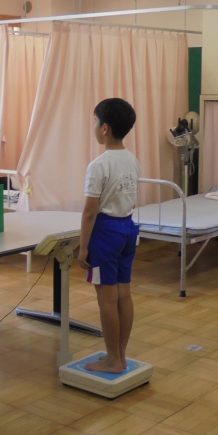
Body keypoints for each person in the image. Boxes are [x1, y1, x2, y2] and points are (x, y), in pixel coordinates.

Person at [77, 98, 141, 374]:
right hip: (128, 229)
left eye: (95, 122)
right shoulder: (133, 160)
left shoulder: (99, 165)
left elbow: (89, 212)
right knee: (124, 294)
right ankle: (120, 355)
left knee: (106, 298)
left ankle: (113, 359)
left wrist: (83, 248)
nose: (94, 127)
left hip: (105, 233)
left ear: (105, 128)